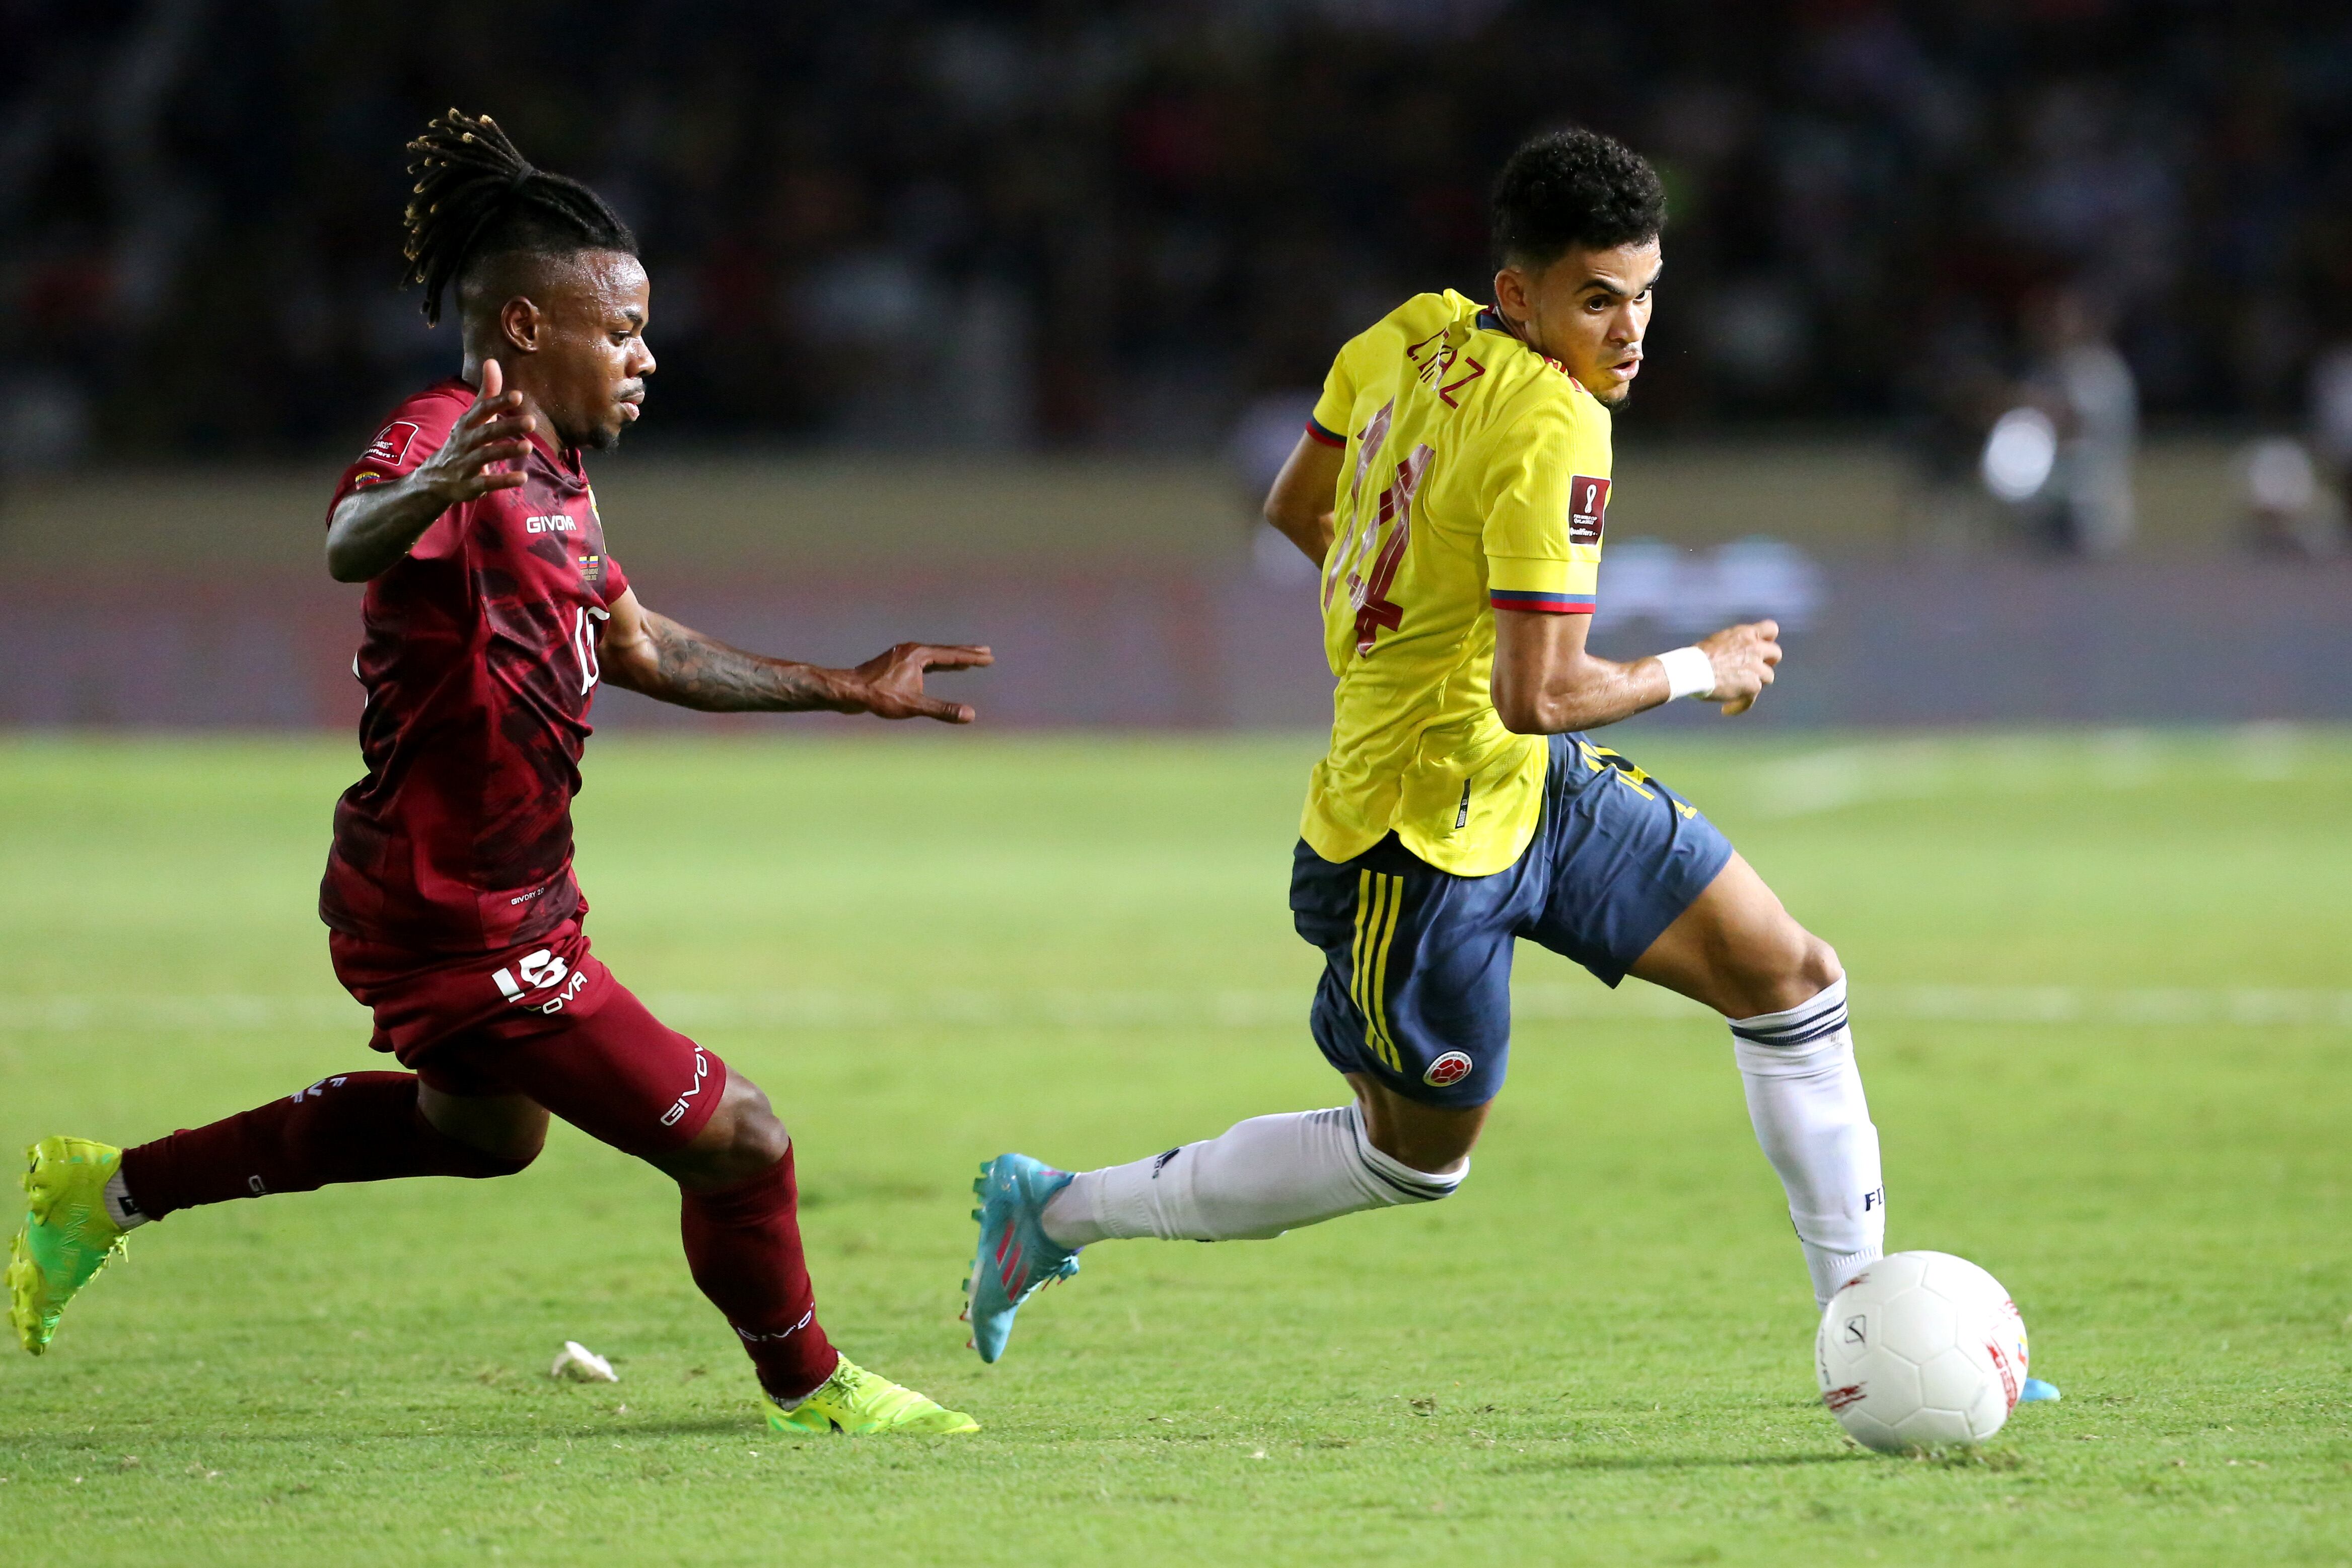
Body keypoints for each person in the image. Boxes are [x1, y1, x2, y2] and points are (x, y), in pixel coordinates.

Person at [9, 111, 987, 1438]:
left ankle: (102, 1193)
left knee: (483, 1136)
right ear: (529, 328)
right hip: (459, 913)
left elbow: (637, 642)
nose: (647, 357)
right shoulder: (446, 433)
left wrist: (844, 684)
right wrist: (428, 490)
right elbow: (350, 538)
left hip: (494, 891)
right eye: (623, 331)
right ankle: (811, 1389)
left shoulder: (564, 476)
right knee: (742, 1137)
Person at [966, 128, 1885, 1364]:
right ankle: (1055, 1208)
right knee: (1411, 1165)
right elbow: (1538, 694)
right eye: (1597, 300)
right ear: (1520, 296)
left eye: (1645, 295)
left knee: (1792, 983)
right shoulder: (1557, 426)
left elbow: (1295, 509)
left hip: (1526, 794)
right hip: (1413, 840)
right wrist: (1696, 668)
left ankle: (1871, 1332)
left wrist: (1400, 613)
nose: (1630, 331)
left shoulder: (1404, 334)